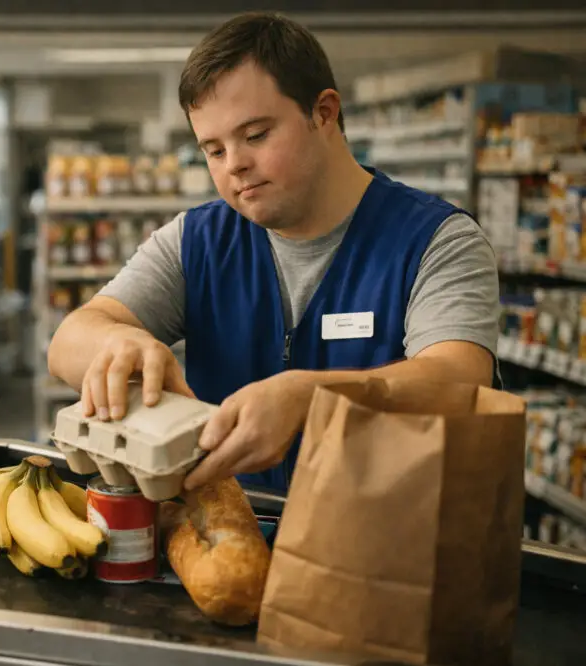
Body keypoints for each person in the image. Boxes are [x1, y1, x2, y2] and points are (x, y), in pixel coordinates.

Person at [48, 13, 499, 494]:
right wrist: (114, 343)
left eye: (256, 135)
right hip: (225, 537)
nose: (235, 165)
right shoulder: (198, 240)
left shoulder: (436, 239)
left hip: (381, 548)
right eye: (214, 150)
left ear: (323, 113)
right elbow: (69, 341)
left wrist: (311, 397)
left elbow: (458, 381)